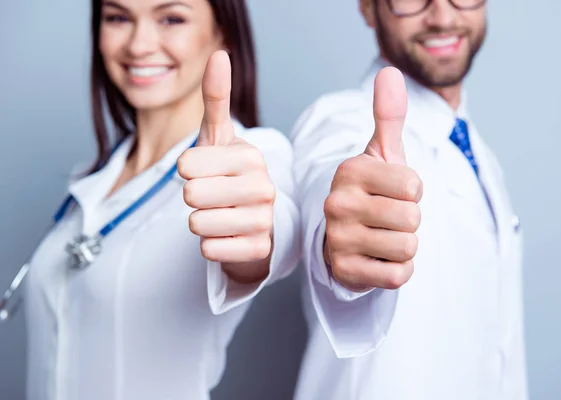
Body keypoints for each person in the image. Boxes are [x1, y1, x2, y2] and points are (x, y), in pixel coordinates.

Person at [24, 1, 300, 399]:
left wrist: (258, 239)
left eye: (172, 18)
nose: (139, 44)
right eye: (118, 18)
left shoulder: (253, 157)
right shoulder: (92, 178)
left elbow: (266, 237)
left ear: (221, 32)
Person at [292, 0, 527, 399]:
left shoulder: (480, 156)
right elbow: (331, 185)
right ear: (368, 8)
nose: (443, 16)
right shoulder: (340, 120)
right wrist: (336, 242)